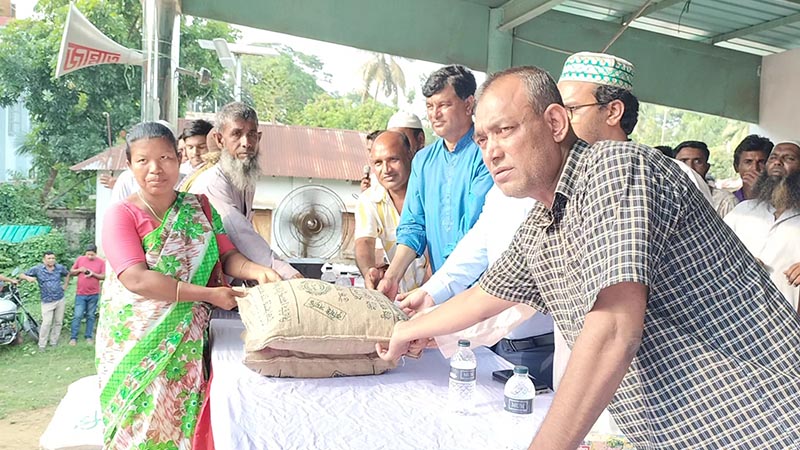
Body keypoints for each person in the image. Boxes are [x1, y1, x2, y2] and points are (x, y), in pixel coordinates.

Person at [378, 66, 800, 449]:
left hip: (759, 421)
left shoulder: (616, 167)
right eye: (483, 139)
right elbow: (489, 292)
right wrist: (409, 329)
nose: (491, 152)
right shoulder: (546, 216)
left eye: (505, 130)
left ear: (556, 122)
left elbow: (614, 328)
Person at [97, 121, 283, 450]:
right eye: (143, 161)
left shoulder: (199, 207)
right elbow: (137, 278)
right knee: (137, 432)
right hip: (136, 343)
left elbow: (226, 256)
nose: (155, 169)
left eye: (166, 158)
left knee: (183, 428)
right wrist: (209, 295)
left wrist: (257, 271)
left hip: (186, 345)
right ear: (129, 165)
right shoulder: (120, 215)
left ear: (179, 158)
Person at [378, 65, 493, 299]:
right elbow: (413, 225)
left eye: (444, 105)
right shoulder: (423, 160)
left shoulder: (487, 152)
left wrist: (433, 288)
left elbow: (473, 227)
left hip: (484, 288)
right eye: (430, 106)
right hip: (442, 289)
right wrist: (392, 276)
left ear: (469, 104)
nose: (434, 114)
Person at [189, 102, 301, 280]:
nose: (246, 143)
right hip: (197, 288)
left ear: (259, 137)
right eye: (236, 134)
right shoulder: (212, 183)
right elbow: (239, 234)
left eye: (252, 135)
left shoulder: (244, 176)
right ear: (220, 140)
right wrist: (288, 273)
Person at [725, 140, 800, 312]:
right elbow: (712, 252)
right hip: (735, 314)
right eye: (773, 157)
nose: (777, 162)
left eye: (789, 158)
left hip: (786, 323)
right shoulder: (743, 210)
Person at [355, 131, 428, 292]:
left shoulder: (430, 193)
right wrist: (369, 272)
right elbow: (364, 242)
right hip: (400, 296)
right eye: (378, 163)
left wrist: (427, 291)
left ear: (409, 155)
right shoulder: (369, 200)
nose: (386, 169)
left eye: (393, 159)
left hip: (443, 295)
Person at [19, 251, 69, 350]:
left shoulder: (59, 268)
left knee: (58, 322)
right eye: (49, 258)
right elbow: (21, 275)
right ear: (44, 260)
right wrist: (28, 278)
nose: (51, 260)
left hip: (60, 298)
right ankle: (42, 344)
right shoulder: (37, 269)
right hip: (47, 301)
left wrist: (65, 285)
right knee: (46, 323)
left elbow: (67, 274)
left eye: (53, 258)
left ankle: (54, 342)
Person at [674, 140, 738, 217]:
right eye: (683, 161)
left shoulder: (725, 201)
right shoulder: (664, 198)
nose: (690, 167)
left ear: (707, 167)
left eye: (697, 162)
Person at [66, 244, 106, 345]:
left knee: (91, 316)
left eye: (92, 255)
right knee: (77, 315)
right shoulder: (80, 259)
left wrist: (93, 274)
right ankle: (73, 337)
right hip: (81, 293)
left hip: (94, 293)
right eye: (88, 254)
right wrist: (79, 270)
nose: (89, 257)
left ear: (95, 254)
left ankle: (88, 336)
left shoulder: (101, 262)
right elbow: (71, 271)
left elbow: (103, 276)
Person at [732, 134, 773, 201]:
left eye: (762, 162)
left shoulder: (780, 202)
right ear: (736, 167)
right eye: (748, 162)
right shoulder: (728, 202)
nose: (755, 168)